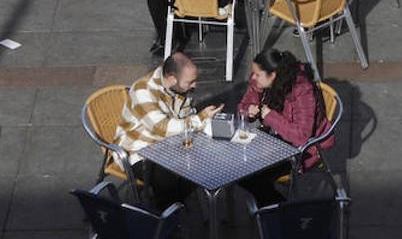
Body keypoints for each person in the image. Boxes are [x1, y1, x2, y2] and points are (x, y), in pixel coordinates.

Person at [116, 53, 223, 208]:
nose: (195, 85)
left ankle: (175, 207)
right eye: (190, 82)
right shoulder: (143, 90)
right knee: (168, 180)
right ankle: (165, 220)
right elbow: (161, 127)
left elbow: (185, 116)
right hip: (138, 151)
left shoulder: (178, 88)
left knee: (204, 166)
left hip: (169, 146)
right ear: (172, 78)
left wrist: (205, 120)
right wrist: (199, 119)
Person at [235, 49, 334, 206]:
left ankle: (281, 212)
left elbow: (301, 136)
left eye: (257, 74)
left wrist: (270, 116)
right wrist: (249, 111)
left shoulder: (302, 90)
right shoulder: (261, 81)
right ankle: (274, 209)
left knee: (252, 178)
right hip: (271, 140)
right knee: (237, 169)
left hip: (299, 151)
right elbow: (244, 105)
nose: (253, 78)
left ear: (273, 75)